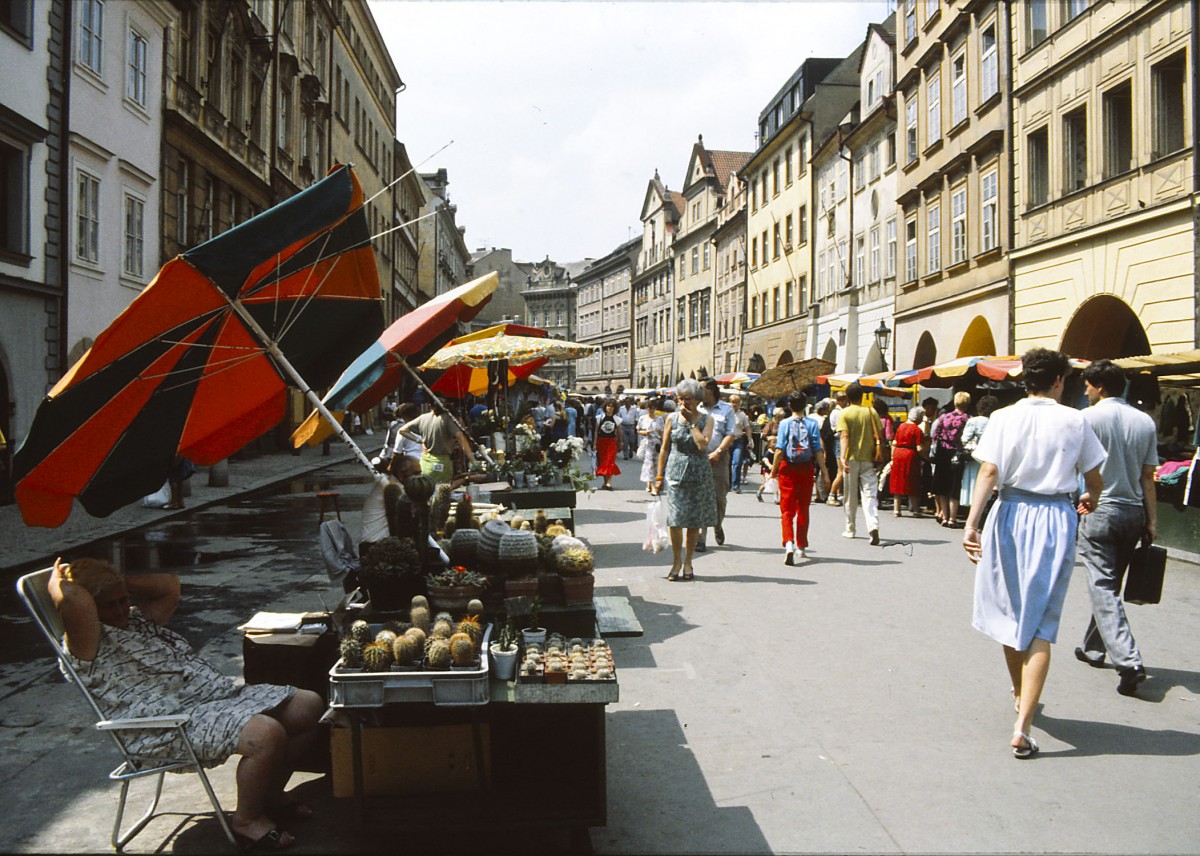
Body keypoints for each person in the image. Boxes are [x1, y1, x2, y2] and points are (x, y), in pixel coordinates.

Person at [49, 557, 324, 849]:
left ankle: (269, 793)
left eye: (123, 600)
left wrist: (115, 579)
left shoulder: (136, 621)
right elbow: (76, 601)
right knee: (265, 734)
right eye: (108, 604)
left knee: (308, 705)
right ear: (91, 607)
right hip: (164, 726)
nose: (120, 610)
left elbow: (170, 585)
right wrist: (58, 583)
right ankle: (247, 820)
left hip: (210, 701)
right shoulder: (86, 644)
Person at [963, 348, 1106, 759]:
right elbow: (1095, 477)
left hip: (1008, 513)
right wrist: (1089, 497)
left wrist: (972, 523)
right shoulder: (1075, 419)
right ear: (1059, 381)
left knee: (1009, 610)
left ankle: (1018, 693)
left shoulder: (1004, 417)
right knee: (1040, 620)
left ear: (1025, 379)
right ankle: (1022, 726)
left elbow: (988, 472)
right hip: (1054, 517)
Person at [1075, 359, 1158, 696]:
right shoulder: (1145, 422)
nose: (1085, 390)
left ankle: (1129, 661)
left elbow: (1074, 466)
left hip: (1100, 509)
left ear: (1101, 387)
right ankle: (1093, 648)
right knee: (1109, 582)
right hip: (1133, 511)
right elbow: (1148, 477)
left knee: (1103, 586)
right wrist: (1152, 520)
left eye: (1088, 385)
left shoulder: (1086, 419)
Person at [654, 379, 717, 581]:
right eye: (679, 399)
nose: (682, 403)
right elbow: (664, 448)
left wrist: (691, 423)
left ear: (697, 400)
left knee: (693, 520)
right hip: (675, 471)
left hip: (698, 473)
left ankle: (689, 561)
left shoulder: (706, 420)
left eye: (687, 399)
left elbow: (702, 445)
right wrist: (659, 475)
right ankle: (676, 561)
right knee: (675, 519)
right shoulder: (671, 419)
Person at [767, 393, 828, 564]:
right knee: (803, 507)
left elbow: (779, 450)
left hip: (788, 469)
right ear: (805, 405)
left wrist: (773, 472)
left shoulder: (784, 424)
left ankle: (788, 544)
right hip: (806, 469)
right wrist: (825, 473)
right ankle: (801, 545)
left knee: (787, 510)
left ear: (789, 405)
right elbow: (817, 450)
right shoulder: (812, 424)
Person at [839, 383, 886, 545]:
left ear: (847, 397)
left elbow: (844, 436)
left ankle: (850, 528)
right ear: (862, 396)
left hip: (851, 458)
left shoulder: (844, 413)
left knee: (850, 496)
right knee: (869, 495)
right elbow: (880, 434)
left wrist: (842, 457)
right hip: (868, 458)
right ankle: (873, 526)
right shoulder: (871, 411)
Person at [697, 379, 736, 551]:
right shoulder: (696, 408)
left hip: (719, 459)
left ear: (711, 390)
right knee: (701, 498)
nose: (698, 392)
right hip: (698, 458)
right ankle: (701, 538)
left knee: (719, 498)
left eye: (701, 389)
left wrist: (718, 452)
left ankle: (717, 524)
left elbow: (730, 434)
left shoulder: (726, 409)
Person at [398, 403, 475, 485]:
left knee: (427, 488)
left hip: (426, 462)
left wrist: (419, 440)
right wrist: (473, 460)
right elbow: (460, 438)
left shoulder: (423, 418)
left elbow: (402, 430)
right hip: (442, 462)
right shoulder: (446, 419)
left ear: (430, 406)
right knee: (442, 490)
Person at [931, 392, 971, 527]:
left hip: (943, 453)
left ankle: (944, 516)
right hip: (958, 454)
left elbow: (936, 435)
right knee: (954, 486)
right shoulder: (968, 419)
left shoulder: (943, 417)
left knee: (943, 486)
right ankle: (953, 518)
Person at [959, 395, 1000, 511]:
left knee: (974, 484)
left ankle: (975, 511)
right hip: (992, 457)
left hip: (974, 457)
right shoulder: (996, 421)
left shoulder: (973, 421)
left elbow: (965, 439)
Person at [890, 406, 927, 517]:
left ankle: (897, 509)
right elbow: (919, 448)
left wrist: (892, 457)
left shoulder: (901, 426)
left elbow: (894, 442)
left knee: (897, 482)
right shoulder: (917, 430)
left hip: (898, 454)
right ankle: (915, 509)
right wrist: (927, 457)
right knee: (912, 482)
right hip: (910, 455)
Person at [756, 407, 786, 503]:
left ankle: (776, 498)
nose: (781, 418)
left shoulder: (784, 424)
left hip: (780, 450)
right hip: (771, 449)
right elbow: (764, 435)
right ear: (776, 416)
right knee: (768, 481)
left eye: (782, 416)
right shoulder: (771, 424)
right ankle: (760, 492)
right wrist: (773, 439)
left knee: (777, 480)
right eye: (780, 416)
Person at [637, 399, 666, 494]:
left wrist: (664, 444)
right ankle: (653, 486)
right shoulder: (642, 418)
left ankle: (649, 483)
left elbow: (662, 432)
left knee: (656, 464)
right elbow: (638, 430)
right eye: (649, 408)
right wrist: (644, 432)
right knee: (649, 464)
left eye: (653, 408)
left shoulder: (659, 419)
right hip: (647, 443)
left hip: (657, 444)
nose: (651, 410)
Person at [826, 392, 849, 505]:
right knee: (841, 471)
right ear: (838, 401)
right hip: (839, 440)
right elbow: (837, 429)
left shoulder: (844, 411)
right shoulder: (836, 413)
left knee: (842, 471)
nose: (845, 402)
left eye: (846, 399)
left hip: (843, 441)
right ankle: (831, 495)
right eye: (843, 400)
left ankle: (839, 494)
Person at [594, 399, 621, 490]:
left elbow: (619, 433)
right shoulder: (599, 417)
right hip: (601, 441)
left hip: (611, 441)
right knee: (602, 462)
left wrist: (620, 443)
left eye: (612, 406)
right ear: (605, 407)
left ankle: (609, 482)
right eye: (608, 406)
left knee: (610, 461)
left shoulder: (617, 419)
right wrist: (594, 443)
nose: (610, 408)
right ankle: (605, 482)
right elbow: (596, 432)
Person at [728, 394, 752, 493]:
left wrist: (750, 440)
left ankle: (736, 485)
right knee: (727, 463)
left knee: (737, 462)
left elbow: (747, 428)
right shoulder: (727, 413)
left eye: (736, 402)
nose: (734, 404)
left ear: (739, 404)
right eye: (733, 402)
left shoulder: (742, 415)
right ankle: (728, 484)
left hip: (738, 440)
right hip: (727, 440)